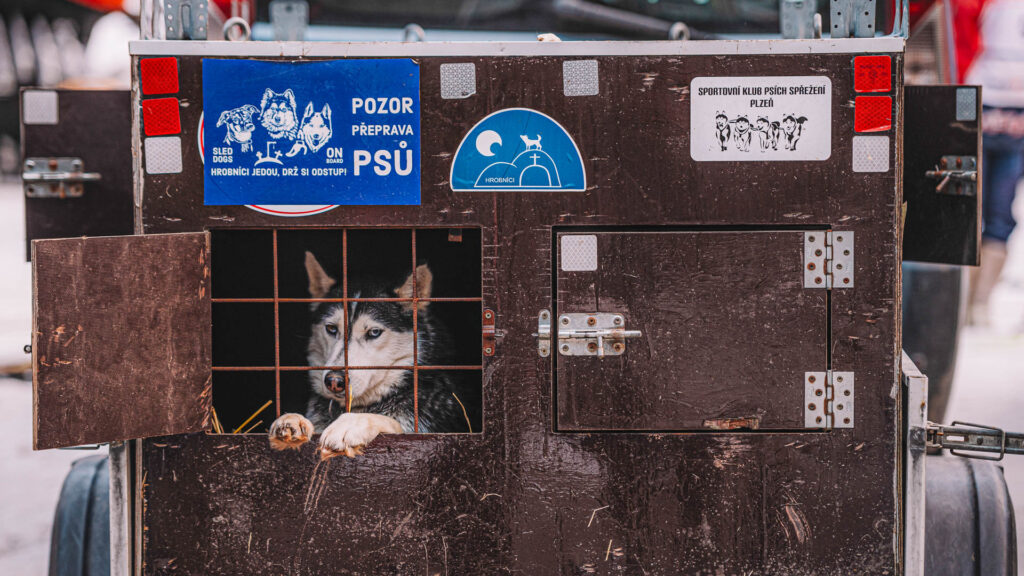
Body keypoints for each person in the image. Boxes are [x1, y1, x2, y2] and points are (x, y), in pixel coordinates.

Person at [954, 0, 1024, 324]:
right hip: (975, 99)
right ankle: (960, 302)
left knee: (1000, 214)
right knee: (964, 207)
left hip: (1015, 118)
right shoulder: (975, 7)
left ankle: (980, 303)